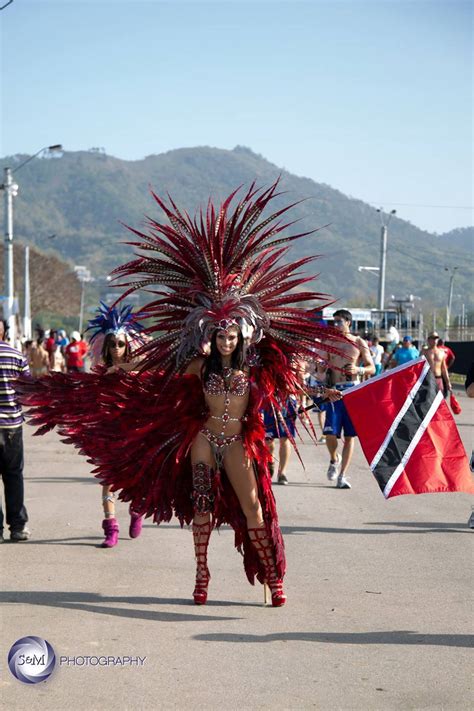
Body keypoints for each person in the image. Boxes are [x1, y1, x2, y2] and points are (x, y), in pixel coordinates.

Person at [19, 180, 346, 606]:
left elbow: (295, 384)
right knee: (203, 509)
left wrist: (325, 392)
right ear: (211, 333)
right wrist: (116, 372)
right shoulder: (197, 364)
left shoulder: (256, 368)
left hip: (239, 442)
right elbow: (152, 366)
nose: (225, 340)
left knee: (253, 509)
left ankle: (273, 576)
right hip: (204, 439)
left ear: (241, 335)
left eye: (231, 334)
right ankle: (202, 574)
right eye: (219, 334)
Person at [86, 302, 146, 547]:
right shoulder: (100, 372)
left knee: (136, 479)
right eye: (113, 344)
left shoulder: (136, 371)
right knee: (107, 479)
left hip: (133, 433)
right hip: (109, 431)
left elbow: (149, 366)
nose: (117, 348)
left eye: (121, 344)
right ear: (106, 346)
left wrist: (122, 369)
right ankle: (110, 527)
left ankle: (137, 510)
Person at [322, 309, 375, 489]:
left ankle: (342, 475)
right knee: (330, 433)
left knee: (350, 436)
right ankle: (333, 458)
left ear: (348, 323)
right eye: (334, 322)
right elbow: (320, 368)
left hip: (353, 391)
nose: (335, 325)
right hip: (334, 392)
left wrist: (358, 370)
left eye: (339, 322)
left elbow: (371, 368)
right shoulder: (328, 343)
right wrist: (321, 368)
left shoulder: (358, 342)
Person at [0, 320, 31, 542]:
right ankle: (17, 527)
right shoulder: (17, 356)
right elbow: (28, 390)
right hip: (11, 426)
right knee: (13, 475)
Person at [263, 397, 297, 485]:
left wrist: (303, 402)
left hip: (286, 402)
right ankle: (270, 458)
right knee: (267, 441)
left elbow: (298, 385)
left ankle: (282, 473)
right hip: (267, 400)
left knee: (284, 438)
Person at [422, 332, 452, 397]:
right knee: (428, 400)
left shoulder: (441, 352)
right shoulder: (424, 352)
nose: (435, 340)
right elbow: (419, 367)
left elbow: (444, 369)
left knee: (439, 400)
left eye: (436, 338)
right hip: (428, 379)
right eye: (433, 338)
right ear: (429, 339)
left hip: (438, 378)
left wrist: (448, 382)